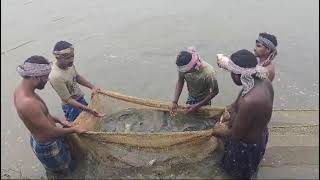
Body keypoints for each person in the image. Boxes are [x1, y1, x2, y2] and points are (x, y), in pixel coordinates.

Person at [13, 55, 87, 175]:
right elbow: (50, 132)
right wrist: (75, 129)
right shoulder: (28, 103)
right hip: (48, 146)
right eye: (45, 77)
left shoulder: (21, 90)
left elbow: (40, 115)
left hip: (42, 137)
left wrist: (58, 120)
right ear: (35, 77)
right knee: (68, 172)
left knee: (64, 168)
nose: (47, 80)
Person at [212, 50, 274, 179]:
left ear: (238, 74)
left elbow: (235, 135)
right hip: (259, 134)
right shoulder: (262, 82)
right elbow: (235, 105)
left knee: (236, 174)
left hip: (246, 146)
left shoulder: (250, 101)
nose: (231, 76)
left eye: (232, 73)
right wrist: (226, 111)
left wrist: (216, 130)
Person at [49, 41, 105, 122]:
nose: (71, 60)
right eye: (67, 58)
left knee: (90, 120)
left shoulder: (69, 65)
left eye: (72, 56)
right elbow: (68, 100)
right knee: (77, 126)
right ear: (57, 58)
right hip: (71, 106)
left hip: (80, 99)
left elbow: (77, 77)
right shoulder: (55, 76)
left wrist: (92, 87)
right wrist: (89, 110)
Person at [170, 47, 219, 115]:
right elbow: (180, 81)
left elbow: (215, 91)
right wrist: (175, 101)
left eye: (186, 71)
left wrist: (197, 105)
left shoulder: (209, 73)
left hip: (204, 100)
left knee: (204, 120)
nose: (184, 73)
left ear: (193, 67)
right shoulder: (183, 67)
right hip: (191, 97)